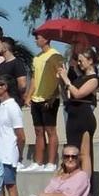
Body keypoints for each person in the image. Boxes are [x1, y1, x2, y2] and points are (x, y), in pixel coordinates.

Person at [27, 32, 65, 173]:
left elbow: (60, 78)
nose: (36, 40)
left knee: (51, 130)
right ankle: (38, 162)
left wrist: (54, 96)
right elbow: (34, 79)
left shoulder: (56, 56)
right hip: (36, 99)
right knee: (38, 131)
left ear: (47, 39)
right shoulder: (36, 58)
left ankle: (51, 162)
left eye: (38, 38)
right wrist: (28, 95)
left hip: (49, 99)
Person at [62, 47, 99, 179]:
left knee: (84, 153)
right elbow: (69, 94)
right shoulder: (79, 78)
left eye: (81, 60)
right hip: (72, 115)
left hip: (83, 116)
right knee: (73, 150)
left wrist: (67, 81)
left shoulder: (94, 79)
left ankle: (86, 183)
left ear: (90, 60)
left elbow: (78, 94)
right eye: (78, 61)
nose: (79, 63)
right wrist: (63, 80)